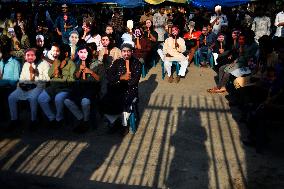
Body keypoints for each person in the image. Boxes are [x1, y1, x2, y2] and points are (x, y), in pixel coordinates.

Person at [100, 43, 142, 136]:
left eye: (128, 51)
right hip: (117, 89)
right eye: (124, 51)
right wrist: (120, 78)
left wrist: (124, 80)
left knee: (125, 103)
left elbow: (134, 81)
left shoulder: (137, 63)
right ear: (121, 52)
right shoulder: (117, 62)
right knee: (104, 101)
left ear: (131, 52)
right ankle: (113, 122)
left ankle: (124, 125)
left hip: (131, 90)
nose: (126, 53)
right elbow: (109, 77)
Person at [64, 45, 100, 133]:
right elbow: (75, 77)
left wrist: (90, 71)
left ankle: (86, 121)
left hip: (91, 87)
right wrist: (80, 70)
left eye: (85, 52)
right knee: (67, 101)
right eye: (81, 52)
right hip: (79, 88)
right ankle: (82, 118)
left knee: (85, 101)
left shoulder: (97, 63)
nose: (83, 54)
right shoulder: (77, 63)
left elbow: (99, 79)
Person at [38, 44, 75, 127]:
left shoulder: (71, 64)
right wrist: (55, 71)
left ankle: (59, 119)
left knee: (58, 99)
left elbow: (71, 81)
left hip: (64, 89)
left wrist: (59, 75)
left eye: (59, 52)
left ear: (65, 53)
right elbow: (49, 74)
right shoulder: (56, 61)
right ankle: (52, 118)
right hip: (53, 87)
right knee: (41, 98)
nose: (57, 53)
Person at [8, 48, 43, 129]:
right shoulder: (26, 64)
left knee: (33, 98)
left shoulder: (41, 64)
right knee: (11, 97)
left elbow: (43, 81)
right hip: (25, 87)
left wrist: (35, 74)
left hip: (36, 87)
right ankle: (14, 120)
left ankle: (33, 120)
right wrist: (22, 85)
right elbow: (21, 78)